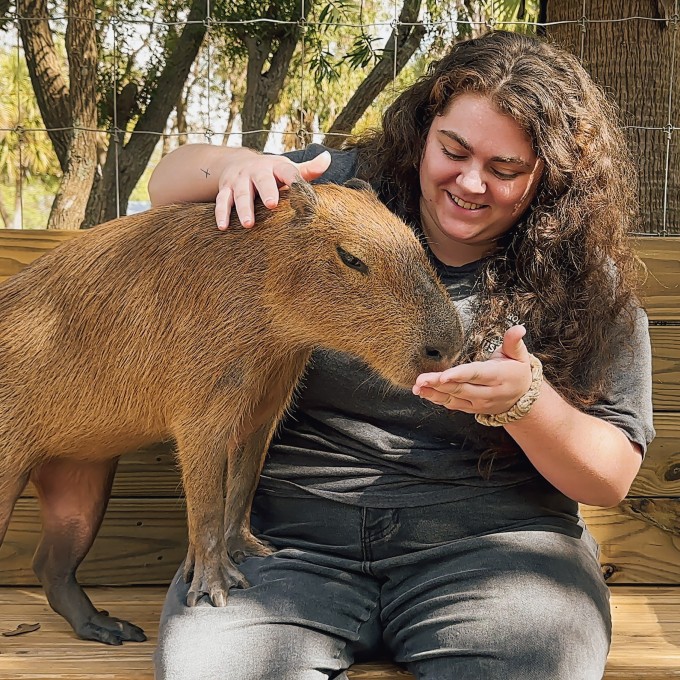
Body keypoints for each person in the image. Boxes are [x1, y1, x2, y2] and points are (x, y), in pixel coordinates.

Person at [148, 30, 654, 680]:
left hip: (497, 550)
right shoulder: (337, 195)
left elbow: (608, 478)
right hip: (286, 542)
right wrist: (239, 167)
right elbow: (167, 183)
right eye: (454, 150)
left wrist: (525, 402)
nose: (470, 183)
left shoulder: (583, 280)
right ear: (423, 130)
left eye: (504, 170)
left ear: (546, 177)